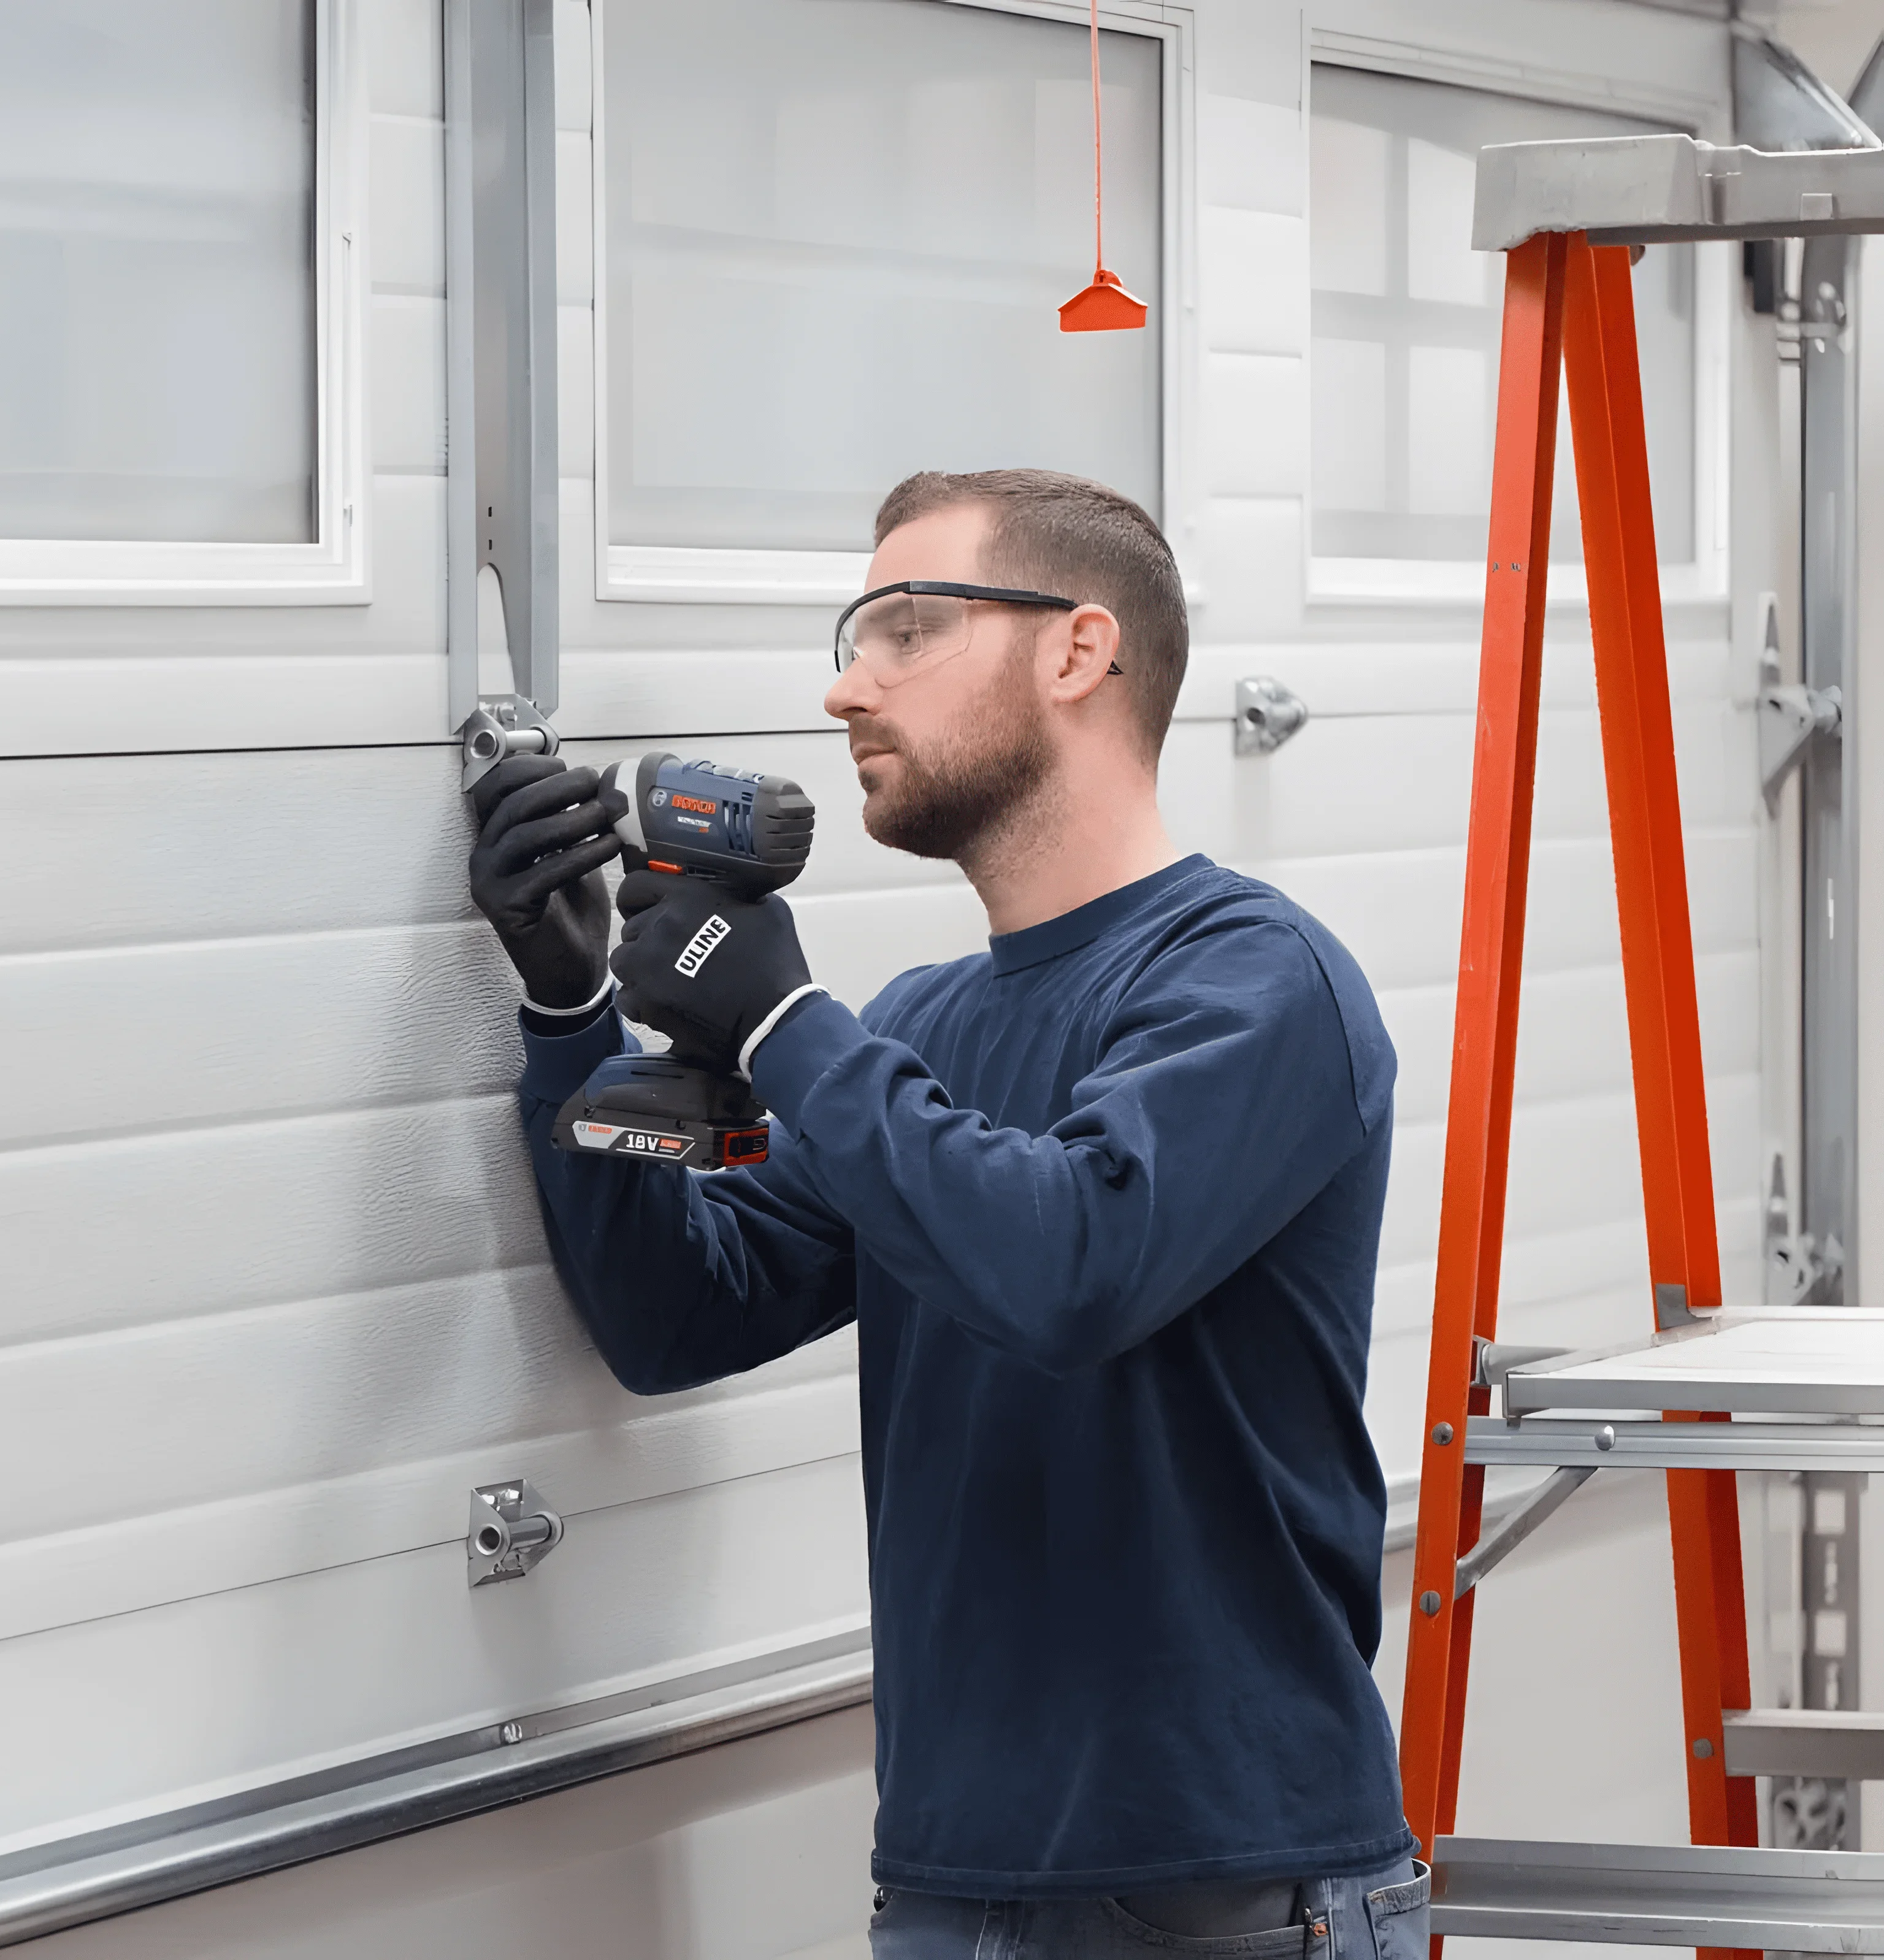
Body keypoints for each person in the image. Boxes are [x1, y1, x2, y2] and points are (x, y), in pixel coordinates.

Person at [464, 469, 1423, 1960]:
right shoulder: (929, 1027)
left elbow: (1072, 1265)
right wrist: (571, 1002)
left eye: (906, 625)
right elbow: (675, 1315)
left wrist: (784, 1020)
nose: (847, 685)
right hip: (946, 1884)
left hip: (1227, 1890)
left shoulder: (1261, 984)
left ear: (1076, 651)